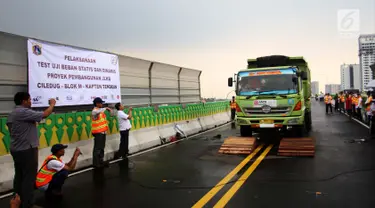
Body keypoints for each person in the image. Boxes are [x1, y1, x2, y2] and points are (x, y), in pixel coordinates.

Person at [6, 92, 56, 208]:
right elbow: (45, 114)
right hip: (27, 149)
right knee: (29, 178)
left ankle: (17, 200)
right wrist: (52, 104)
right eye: (29, 99)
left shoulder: (12, 113)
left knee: (19, 176)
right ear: (23, 101)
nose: (31, 101)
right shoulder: (23, 112)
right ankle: (28, 204)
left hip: (16, 149)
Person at [91, 97, 112, 168]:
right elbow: (96, 112)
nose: (102, 104)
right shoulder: (94, 111)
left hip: (102, 132)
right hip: (98, 133)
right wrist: (106, 108)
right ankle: (96, 164)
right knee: (97, 148)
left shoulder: (100, 111)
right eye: (101, 103)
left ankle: (101, 161)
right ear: (97, 104)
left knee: (102, 147)